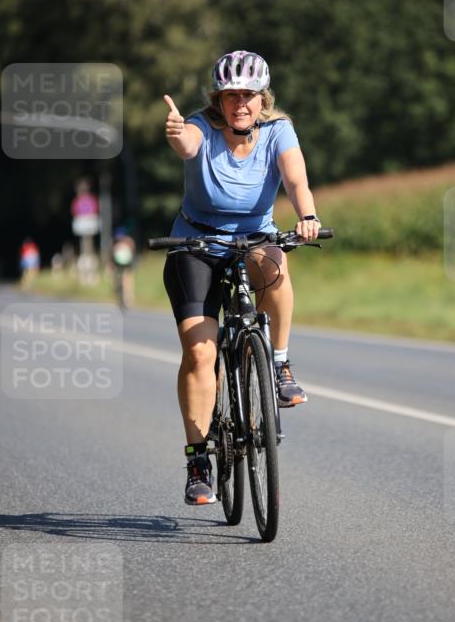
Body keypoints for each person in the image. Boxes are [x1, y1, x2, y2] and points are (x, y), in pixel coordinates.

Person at [163, 50, 320, 506]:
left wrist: (307, 215)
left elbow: (296, 181)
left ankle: (280, 363)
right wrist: (177, 135)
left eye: (248, 96)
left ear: (262, 98)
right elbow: (188, 145)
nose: (240, 104)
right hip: (193, 247)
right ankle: (198, 461)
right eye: (231, 96)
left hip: (253, 241)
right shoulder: (200, 126)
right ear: (218, 100)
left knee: (273, 260)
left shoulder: (278, 131)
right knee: (199, 353)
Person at [110, 226, 136, 308]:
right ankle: (118, 293)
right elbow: (110, 255)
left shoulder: (129, 241)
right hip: (117, 263)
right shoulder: (113, 243)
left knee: (127, 279)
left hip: (127, 263)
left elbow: (132, 252)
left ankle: (128, 297)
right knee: (116, 279)